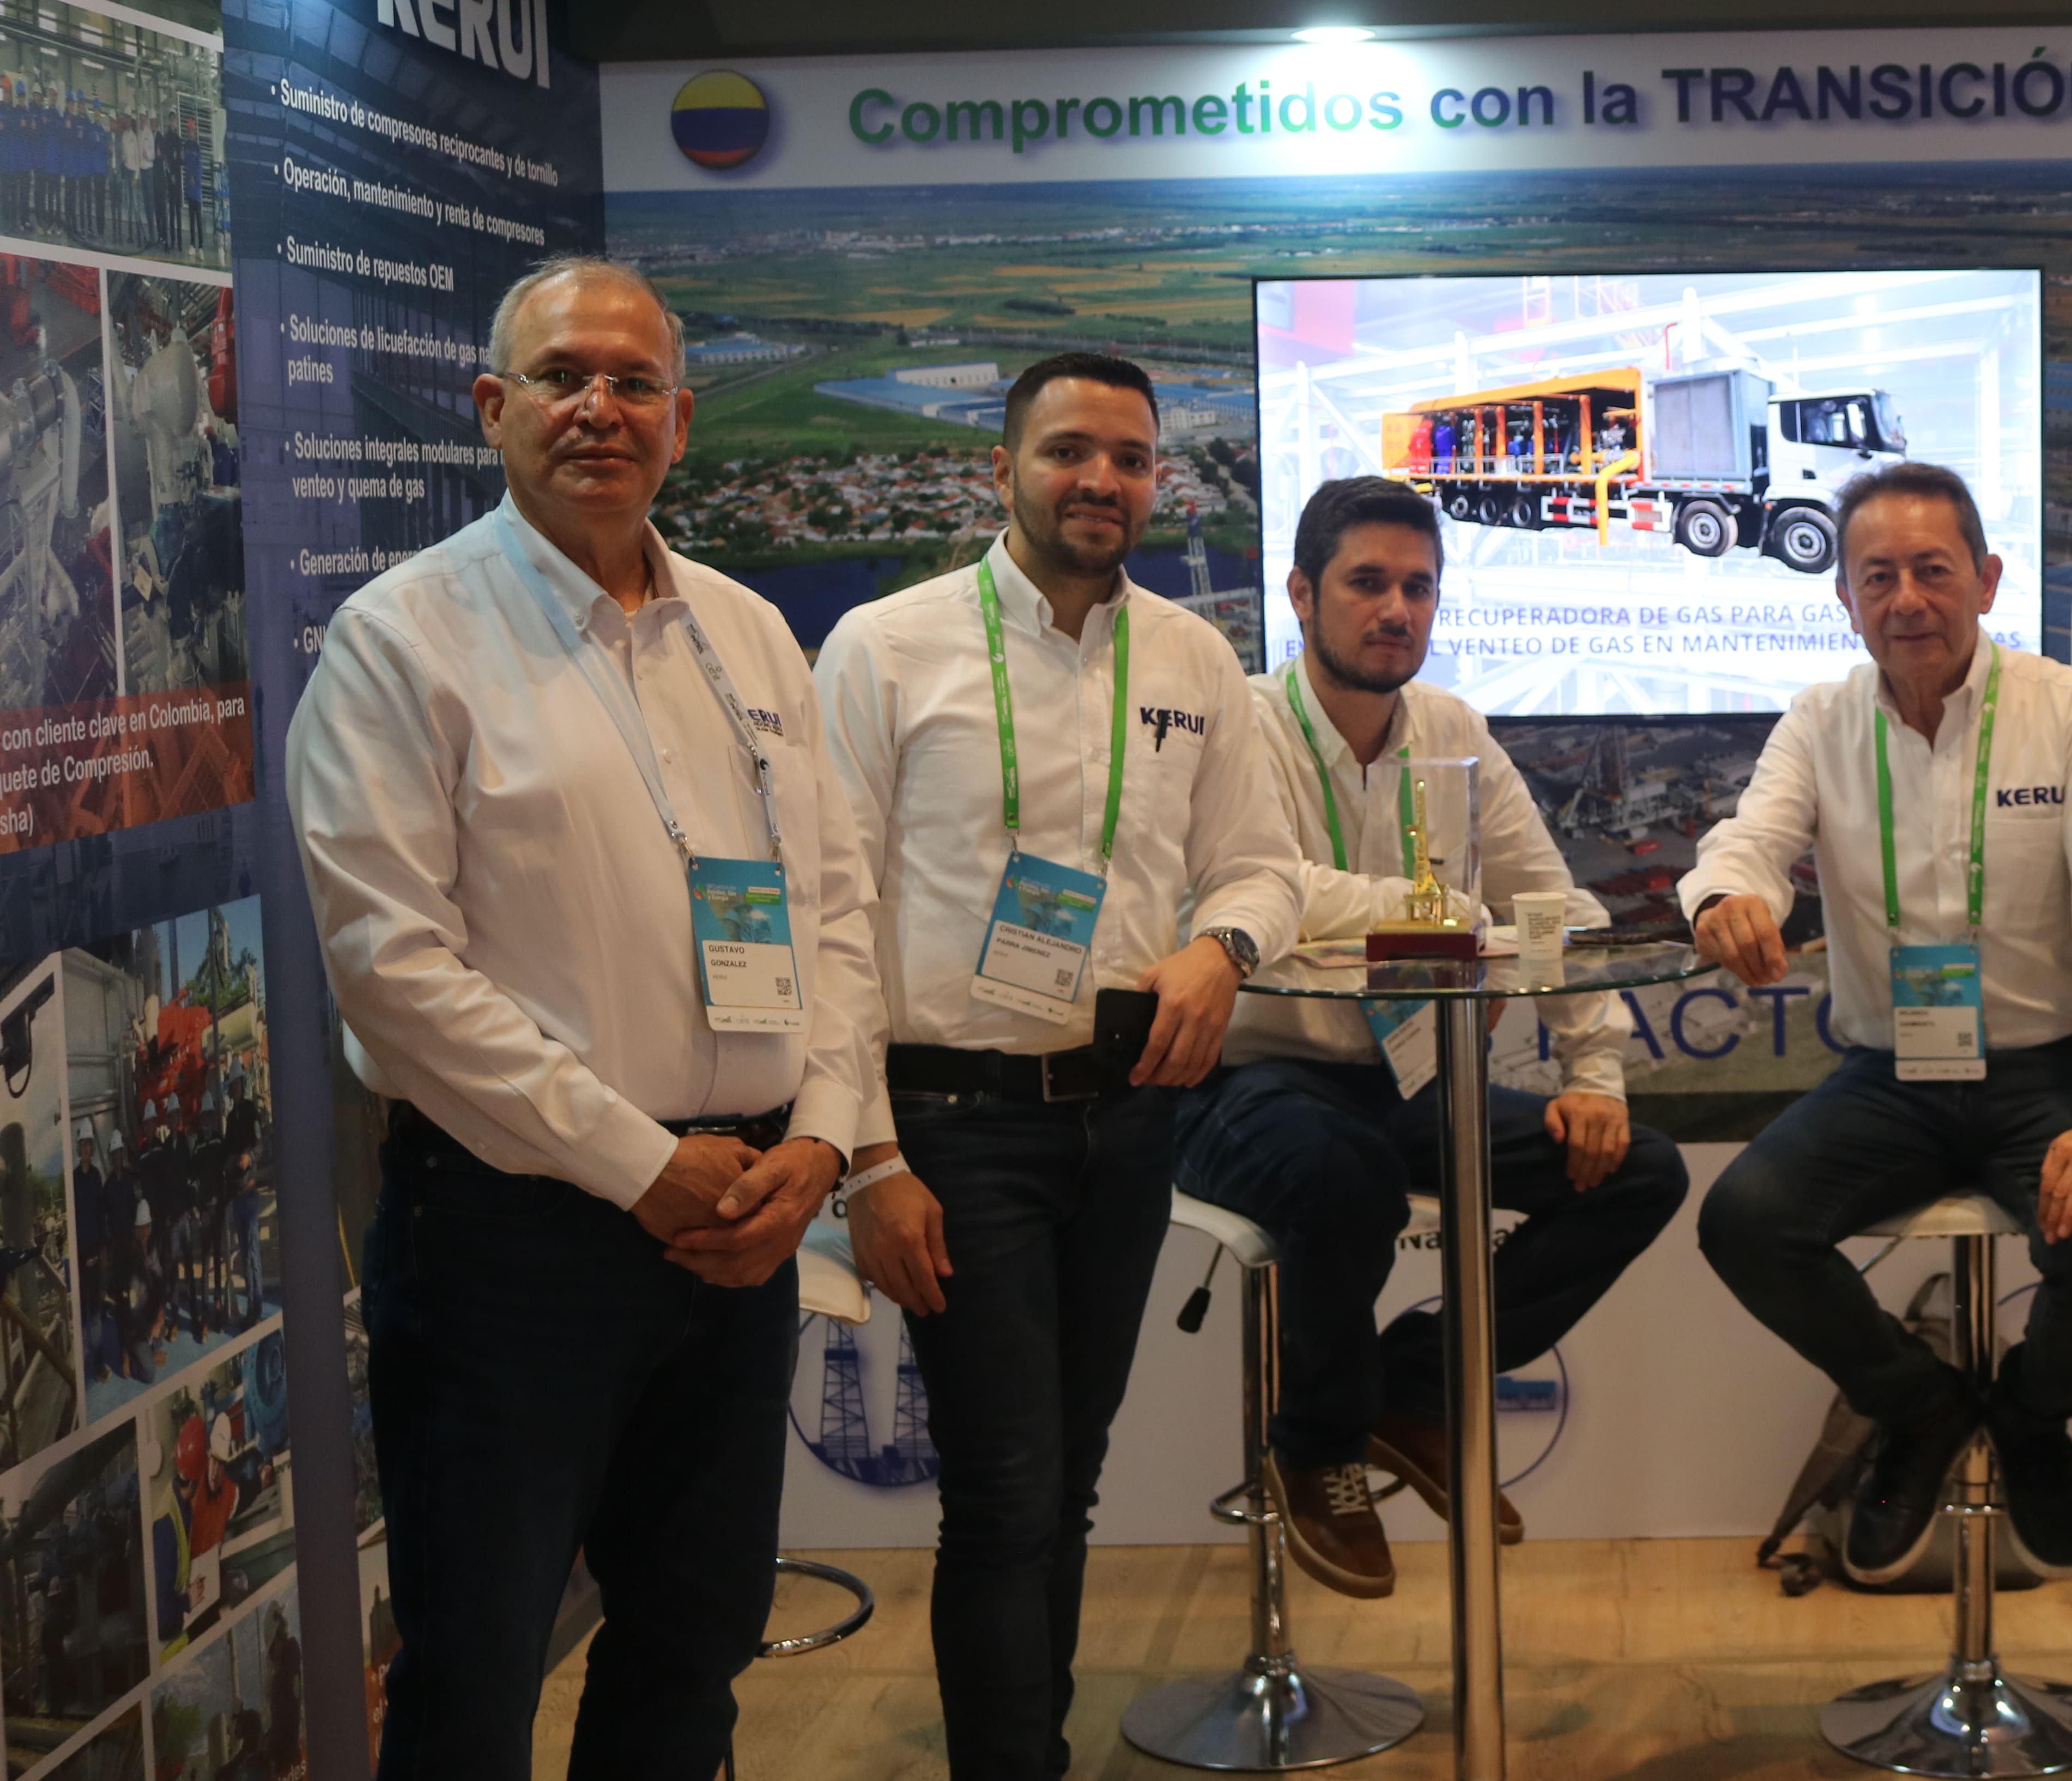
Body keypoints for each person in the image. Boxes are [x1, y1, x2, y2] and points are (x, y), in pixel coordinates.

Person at [288, 255, 879, 1780]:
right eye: (561, 377)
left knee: (692, 1649)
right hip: (514, 1242)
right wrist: (640, 1162)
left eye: (633, 382)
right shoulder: (401, 641)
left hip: (742, 1223)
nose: (598, 409)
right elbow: (393, 977)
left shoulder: (751, 633)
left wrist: (821, 1142)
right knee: (475, 1677)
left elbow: (833, 912)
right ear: (493, 407)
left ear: (683, 420)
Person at [819, 352, 1305, 1778]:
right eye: (1068, 451)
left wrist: (1222, 947)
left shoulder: (1194, 658)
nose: (1102, 480)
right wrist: (868, 1156)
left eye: (1131, 458)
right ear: (1003, 468)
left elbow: (1262, 864)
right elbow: (828, 915)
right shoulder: (885, 647)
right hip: (952, 1122)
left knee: (1067, 1483)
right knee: (1005, 1487)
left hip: (1128, 1119)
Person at [1176, 475, 1686, 1597]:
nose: (1395, 609)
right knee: (1342, 1170)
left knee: (1638, 1171)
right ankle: (1317, 1445)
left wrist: (1595, 1073)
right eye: (1368, 582)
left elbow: (1550, 903)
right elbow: (1265, 889)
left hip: (1398, 1080)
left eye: (1418, 587)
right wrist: (1443, 913)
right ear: (1302, 594)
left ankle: (1409, 1387)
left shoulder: (1453, 729)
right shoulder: (1238, 724)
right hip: (1240, 1083)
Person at [1687, 462, 2072, 1585]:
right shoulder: (1821, 719)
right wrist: (1724, 896)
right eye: (1878, 576)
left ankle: (2034, 1419)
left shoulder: (2068, 710)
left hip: (2045, 1070)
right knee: (1745, 1220)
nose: (1907, 599)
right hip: (1892, 1073)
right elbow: (1750, 838)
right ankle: (1920, 1406)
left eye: (1933, 570)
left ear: (1987, 581)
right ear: (1844, 598)